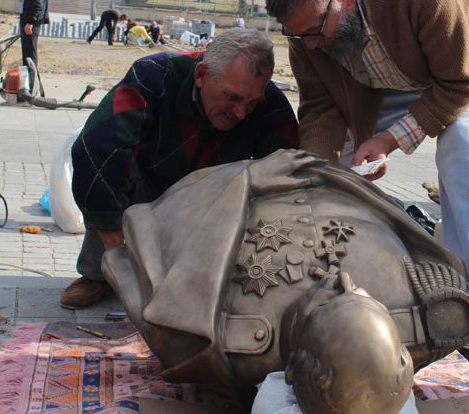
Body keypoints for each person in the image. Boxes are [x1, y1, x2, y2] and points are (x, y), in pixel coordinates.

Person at [265, 0, 469, 363]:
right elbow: (320, 108)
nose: (309, 44)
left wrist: (388, 140)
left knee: (459, 142)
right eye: (298, 36)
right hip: (397, 70)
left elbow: (456, 83)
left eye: (314, 32)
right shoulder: (307, 24)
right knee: (341, 168)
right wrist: (311, 176)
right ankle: (348, 285)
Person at [102, 149, 469, 410]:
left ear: (293, 370)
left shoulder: (202, 337)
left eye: (328, 304)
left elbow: (153, 226)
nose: (344, 281)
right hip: (330, 173)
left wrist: (244, 180)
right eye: (361, 296)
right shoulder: (426, 320)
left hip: (225, 181)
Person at [62, 28, 300, 309]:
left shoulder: (270, 106)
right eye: (233, 97)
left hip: (211, 203)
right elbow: (96, 147)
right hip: (147, 192)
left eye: (251, 102)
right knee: (110, 163)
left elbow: (290, 174)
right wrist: (116, 252)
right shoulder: (154, 76)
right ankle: (98, 275)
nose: (241, 113)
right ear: (201, 75)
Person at [19, 0, 49, 91]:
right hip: (26, 22)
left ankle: (35, 85)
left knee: (30, 55)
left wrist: (30, 22)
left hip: (31, 24)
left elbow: (38, 5)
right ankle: (29, 82)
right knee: (26, 54)